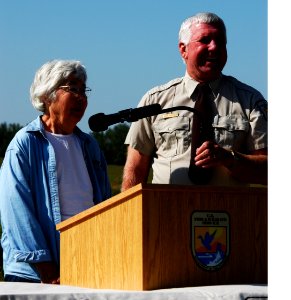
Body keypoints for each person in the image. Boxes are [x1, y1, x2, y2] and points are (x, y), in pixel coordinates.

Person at [121, 12, 267, 191]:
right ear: (183, 50)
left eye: (220, 41)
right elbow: (135, 169)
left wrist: (230, 159)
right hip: (167, 214)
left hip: (228, 214)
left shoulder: (250, 100)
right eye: (205, 40)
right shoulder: (155, 101)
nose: (214, 47)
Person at [0, 60, 111, 283]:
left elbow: (105, 206)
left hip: (86, 266)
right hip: (36, 275)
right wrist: (48, 270)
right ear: (47, 95)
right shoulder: (25, 144)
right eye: (72, 89)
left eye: (83, 90)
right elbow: (16, 213)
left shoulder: (90, 146)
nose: (81, 97)